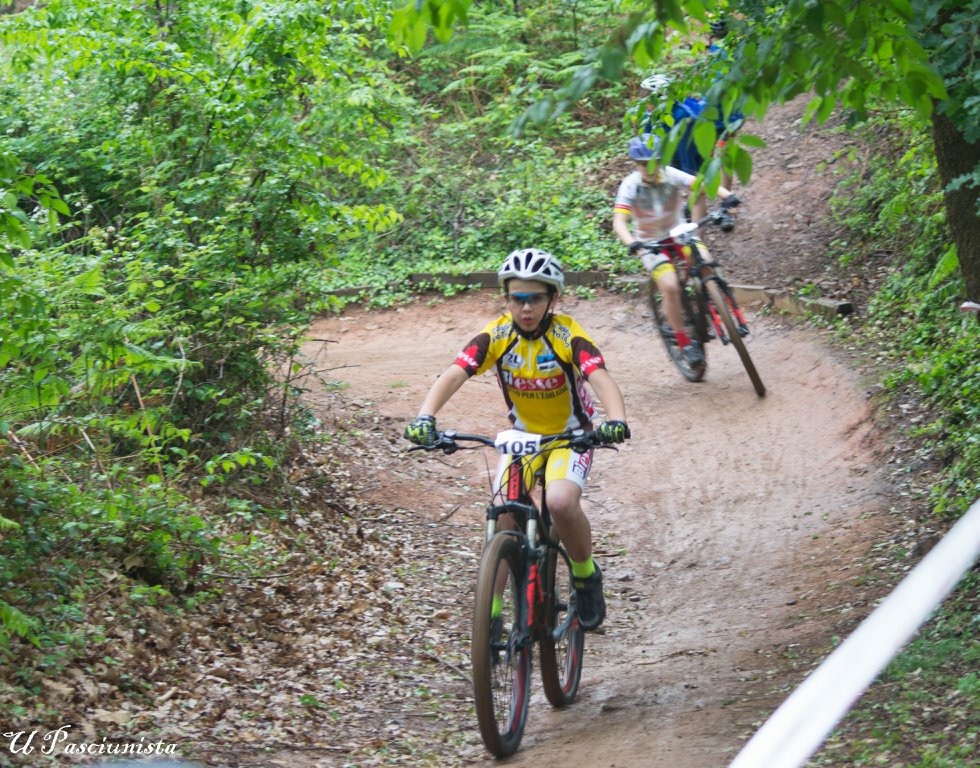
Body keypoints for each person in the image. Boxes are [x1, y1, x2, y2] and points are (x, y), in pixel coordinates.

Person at [403, 249, 630, 631]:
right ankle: (490, 615)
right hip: (522, 438)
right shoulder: (497, 335)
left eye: (535, 298)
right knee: (504, 512)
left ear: (552, 299)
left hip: (570, 437)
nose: (525, 308)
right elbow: (454, 373)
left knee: (560, 501)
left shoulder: (567, 335)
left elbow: (600, 378)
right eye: (517, 298)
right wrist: (426, 415)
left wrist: (616, 420)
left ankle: (585, 576)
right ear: (506, 298)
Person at [613, 133, 743, 367]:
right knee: (671, 287)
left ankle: (715, 301)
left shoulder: (670, 174)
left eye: (654, 162)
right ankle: (685, 343)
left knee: (705, 261)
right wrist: (631, 242)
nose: (649, 168)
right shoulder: (630, 185)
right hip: (651, 243)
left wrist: (728, 196)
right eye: (643, 164)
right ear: (636, 164)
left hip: (680, 233)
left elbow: (702, 184)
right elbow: (619, 222)